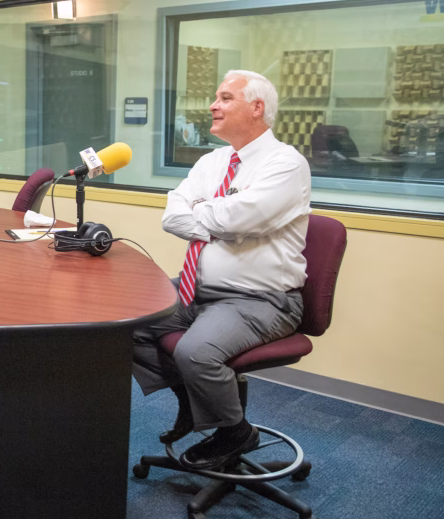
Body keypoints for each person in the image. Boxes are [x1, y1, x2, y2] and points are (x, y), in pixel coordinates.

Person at [132, 70, 311, 470]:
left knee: (196, 352)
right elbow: (172, 217)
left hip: (261, 298)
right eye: (216, 97)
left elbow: (238, 218)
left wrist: (204, 211)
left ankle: (235, 432)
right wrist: (216, 217)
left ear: (256, 107)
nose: (213, 105)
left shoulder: (286, 163)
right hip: (198, 290)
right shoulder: (212, 161)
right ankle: (194, 404)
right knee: (127, 320)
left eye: (226, 98)